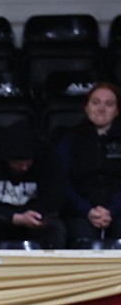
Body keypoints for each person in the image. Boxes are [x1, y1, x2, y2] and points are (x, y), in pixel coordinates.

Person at [0, 121, 66, 249]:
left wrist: (37, 216)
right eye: (18, 162)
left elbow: (53, 200)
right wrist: (13, 217)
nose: (24, 167)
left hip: (33, 218)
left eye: (28, 161)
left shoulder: (47, 157)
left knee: (55, 229)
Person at [55, 81, 121, 245]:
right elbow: (62, 184)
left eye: (109, 104)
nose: (101, 109)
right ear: (86, 107)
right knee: (82, 237)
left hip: (118, 211)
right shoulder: (68, 141)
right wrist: (88, 211)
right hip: (81, 213)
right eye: (96, 102)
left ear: (117, 111)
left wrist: (112, 211)